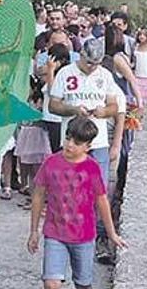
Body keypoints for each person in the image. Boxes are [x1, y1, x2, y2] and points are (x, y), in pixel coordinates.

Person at [27, 116, 127, 289]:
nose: (70, 145)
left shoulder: (92, 168)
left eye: (77, 142)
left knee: (83, 284)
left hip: (84, 236)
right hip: (55, 233)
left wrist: (111, 233)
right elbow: (38, 196)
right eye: (68, 138)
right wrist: (34, 231)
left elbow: (101, 201)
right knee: (51, 283)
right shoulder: (50, 163)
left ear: (88, 147)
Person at [48, 38, 121, 189]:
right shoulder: (65, 73)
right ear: (81, 55)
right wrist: (74, 110)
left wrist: (104, 111)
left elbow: (114, 106)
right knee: (70, 188)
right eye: (89, 62)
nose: (92, 67)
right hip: (72, 141)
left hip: (98, 141)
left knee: (99, 189)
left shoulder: (105, 75)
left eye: (96, 64)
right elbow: (53, 106)